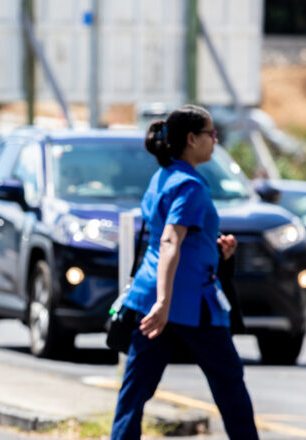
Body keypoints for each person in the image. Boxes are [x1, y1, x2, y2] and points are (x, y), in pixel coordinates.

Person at [111, 105, 259, 440]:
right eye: (211, 133)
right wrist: (165, 303)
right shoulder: (190, 185)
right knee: (230, 386)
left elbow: (177, 239)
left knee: (134, 393)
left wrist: (215, 250)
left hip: (150, 298)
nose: (215, 139)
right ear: (191, 139)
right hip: (189, 303)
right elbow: (169, 240)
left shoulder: (162, 177)